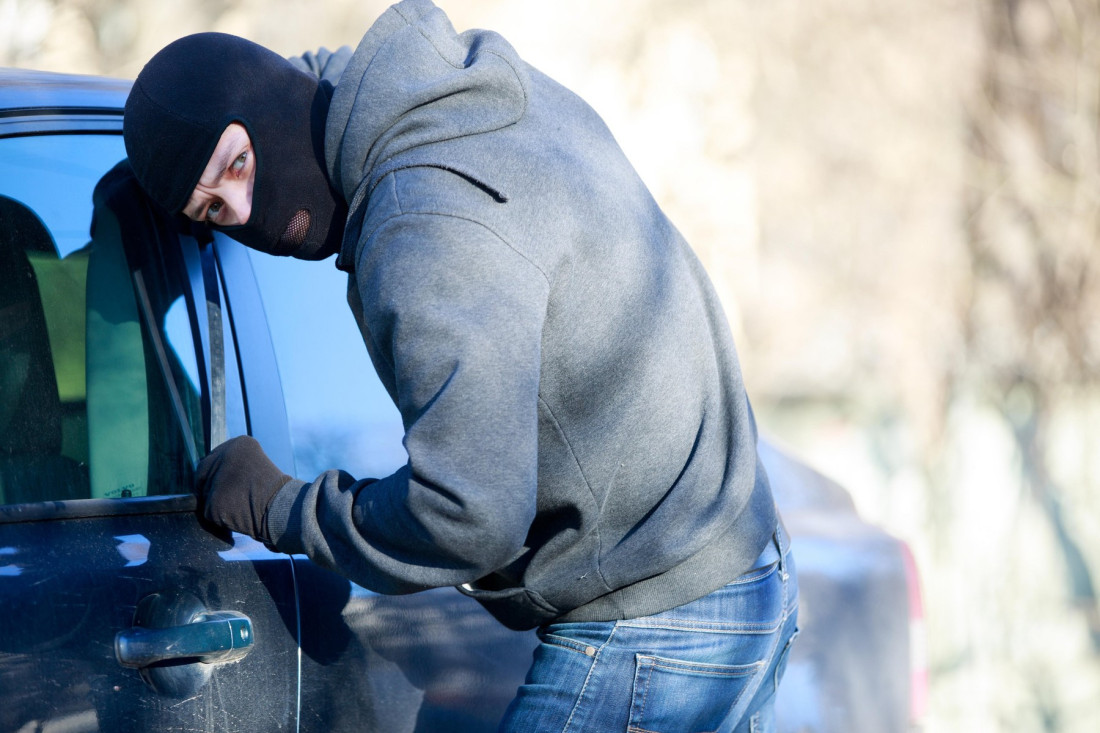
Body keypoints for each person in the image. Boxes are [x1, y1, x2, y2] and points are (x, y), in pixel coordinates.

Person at [122, 0, 798, 729]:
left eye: (240, 165)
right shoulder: (447, 93)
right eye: (213, 211)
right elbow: (294, 94)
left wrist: (278, 504)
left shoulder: (419, 226)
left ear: (270, 110)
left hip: (656, 621)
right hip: (741, 562)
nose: (247, 208)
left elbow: (468, 513)